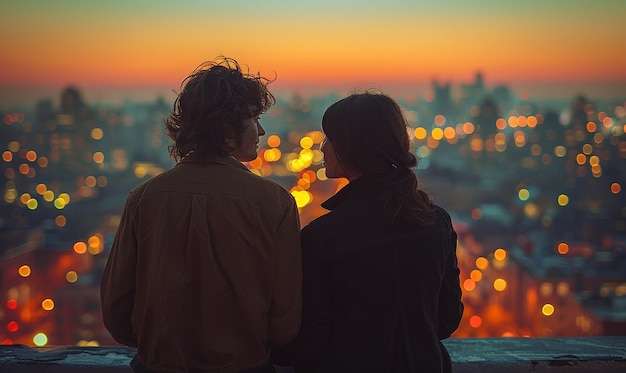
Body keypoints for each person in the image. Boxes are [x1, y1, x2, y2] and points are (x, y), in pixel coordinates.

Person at [100, 57, 302, 373]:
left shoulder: (144, 198)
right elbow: (285, 319)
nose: (261, 130)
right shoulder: (274, 202)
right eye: (253, 118)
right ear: (224, 125)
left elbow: (116, 310)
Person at [272, 91, 463, 372]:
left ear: (352, 147)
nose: (323, 148)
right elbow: (446, 320)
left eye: (329, 139)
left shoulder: (324, 237)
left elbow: (313, 340)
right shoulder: (436, 222)